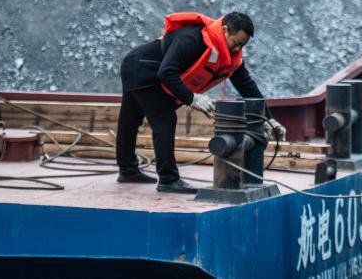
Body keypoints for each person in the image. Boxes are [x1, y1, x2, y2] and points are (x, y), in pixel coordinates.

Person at [116, 11, 286, 194]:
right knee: (163, 119)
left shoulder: (229, 55)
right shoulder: (192, 39)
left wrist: (270, 119)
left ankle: (128, 171)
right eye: (236, 43)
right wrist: (193, 98)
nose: (237, 49)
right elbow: (166, 72)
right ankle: (168, 179)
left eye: (242, 46)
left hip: (140, 67)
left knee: (130, 120)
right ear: (225, 30)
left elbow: (248, 88)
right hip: (142, 68)